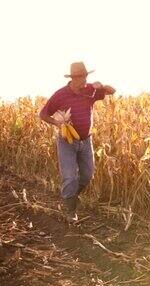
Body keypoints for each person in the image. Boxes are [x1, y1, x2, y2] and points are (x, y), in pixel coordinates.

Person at [38, 62, 116, 223]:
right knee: (70, 177)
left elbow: (112, 91)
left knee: (87, 175)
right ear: (74, 78)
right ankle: (70, 211)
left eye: (86, 77)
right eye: (82, 77)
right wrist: (57, 123)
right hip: (67, 142)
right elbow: (43, 114)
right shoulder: (60, 95)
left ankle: (71, 196)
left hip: (86, 141)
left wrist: (101, 86)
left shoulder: (90, 90)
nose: (85, 80)